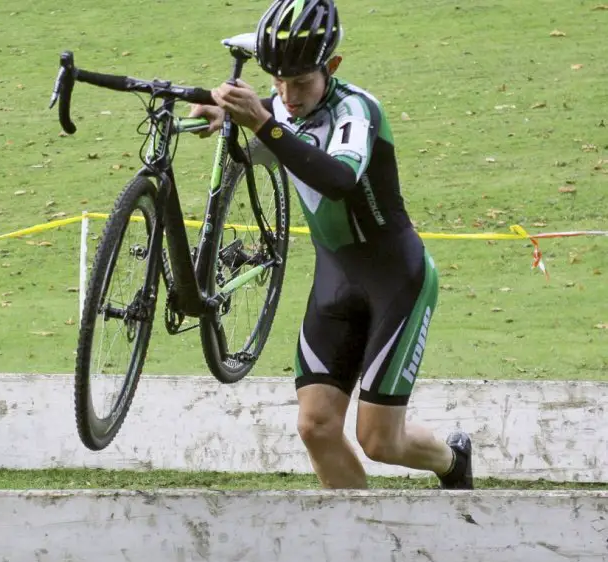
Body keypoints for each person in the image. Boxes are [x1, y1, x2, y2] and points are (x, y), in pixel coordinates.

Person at [190, 0, 473, 490]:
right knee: (315, 427)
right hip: (334, 279)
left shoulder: (356, 110)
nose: (288, 95)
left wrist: (261, 121)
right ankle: (360, 548)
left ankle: (453, 460)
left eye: (301, 83)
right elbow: (268, 139)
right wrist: (222, 114)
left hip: (396, 279)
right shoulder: (279, 109)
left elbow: (339, 178)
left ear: (332, 67)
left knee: (380, 440)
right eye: (277, 82)